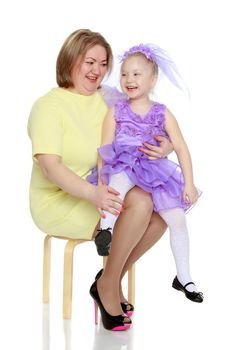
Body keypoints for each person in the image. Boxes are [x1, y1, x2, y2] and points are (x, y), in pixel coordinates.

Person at [28, 29, 173, 331]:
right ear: (70, 60)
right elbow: (50, 167)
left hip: (105, 185)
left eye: (103, 63)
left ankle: (108, 281)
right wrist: (93, 194)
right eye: (89, 62)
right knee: (140, 208)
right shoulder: (48, 106)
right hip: (61, 199)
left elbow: (148, 117)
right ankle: (108, 288)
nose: (97, 71)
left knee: (159, 215)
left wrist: (167, 145)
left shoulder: (109, 98)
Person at [90, 43, 203, 303]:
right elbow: (104, 149)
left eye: (137, 74)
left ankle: (184, 277)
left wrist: (189, 183)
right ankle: (105, 230)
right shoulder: (115, 111)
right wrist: (101, 179)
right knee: (119, 180)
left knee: (176, 219)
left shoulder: (162, 113)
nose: (129, 79)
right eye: (124, 74)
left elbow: (182, 147)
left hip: (155, 171)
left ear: (153, 80)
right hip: (124, 165)